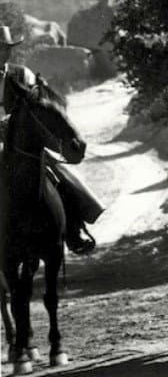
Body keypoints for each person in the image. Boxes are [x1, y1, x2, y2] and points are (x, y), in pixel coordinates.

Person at [0, 25, 101, 255]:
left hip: (21, 141)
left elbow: (41, 105)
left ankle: (74, 228)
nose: (3, 53)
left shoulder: (23, 74)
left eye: (6, 49)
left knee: (56, 172)